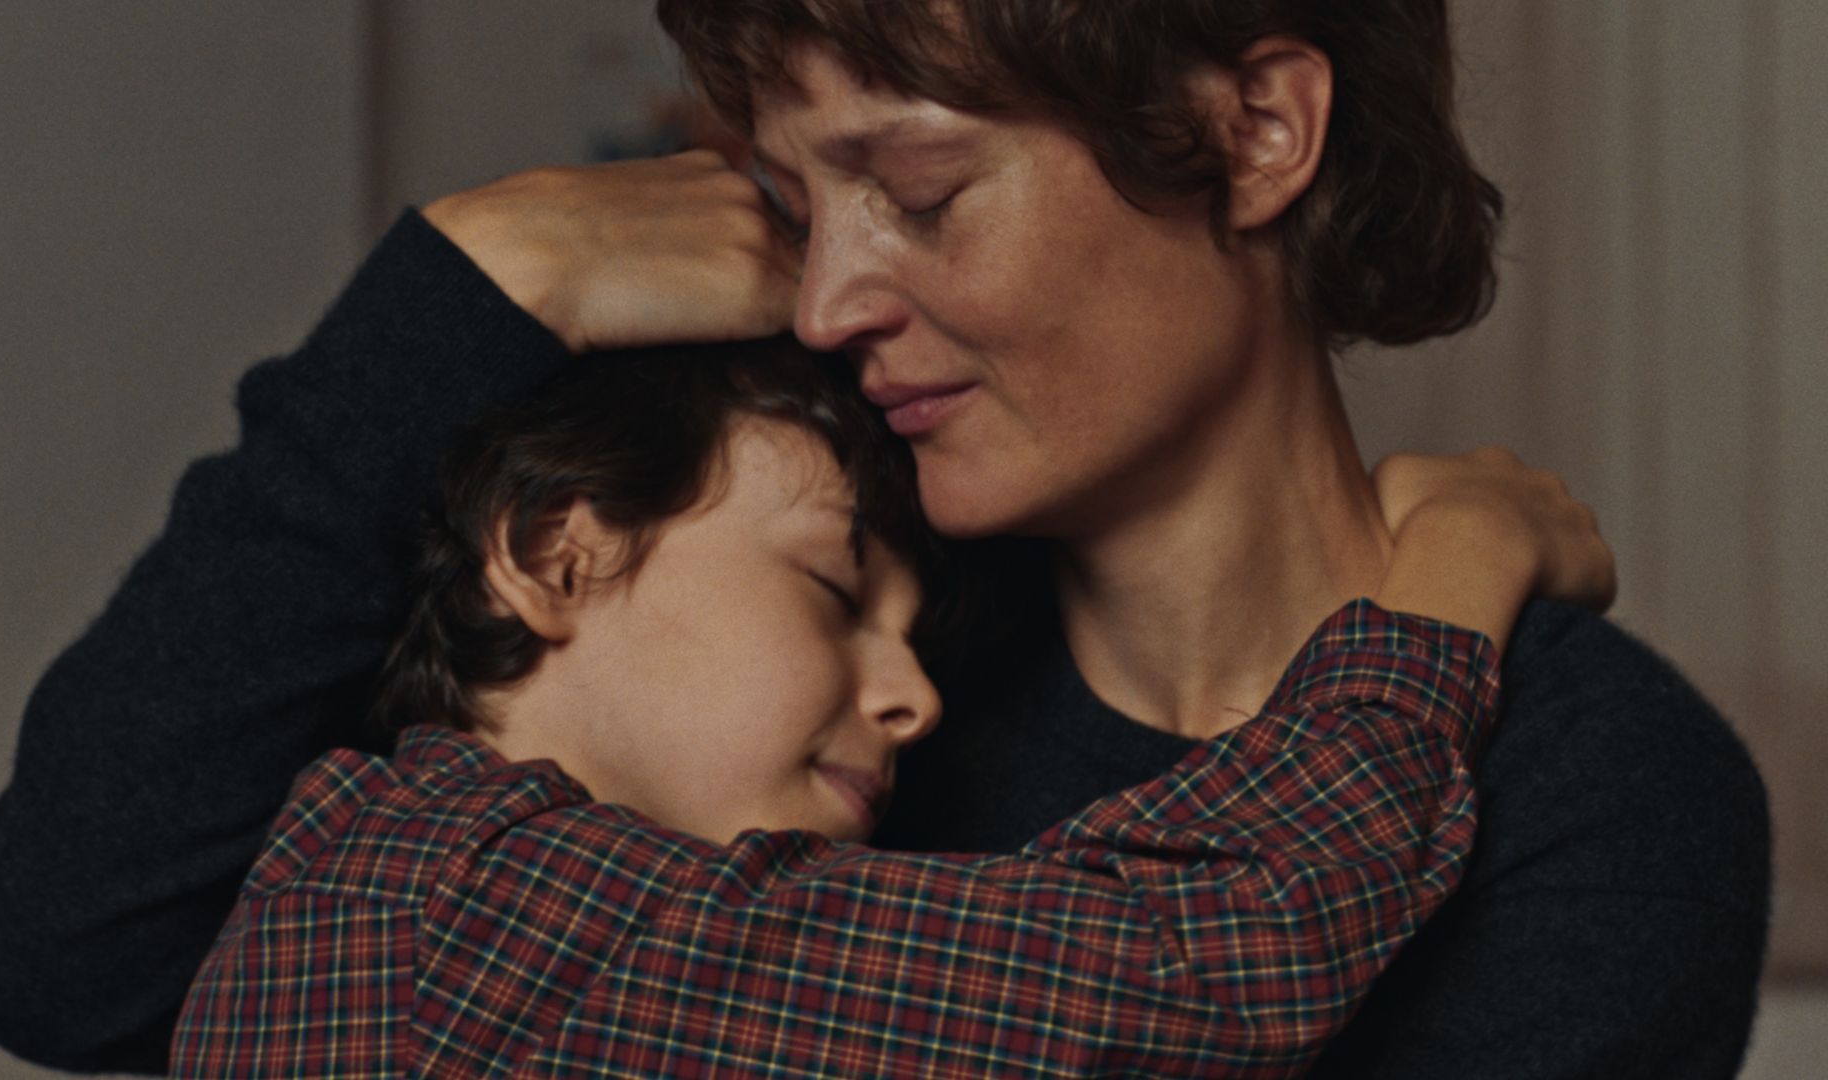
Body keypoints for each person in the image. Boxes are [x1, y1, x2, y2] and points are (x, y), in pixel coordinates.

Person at [0, 0, 1767, 1076]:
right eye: (795, 206)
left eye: (917, 194)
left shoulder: (1590, 792)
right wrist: (477, 284)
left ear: (1256, 130)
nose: (826, 302)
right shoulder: (751, 691)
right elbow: (72, 946)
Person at [169, 343, 1563, 1076]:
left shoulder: (401, 898)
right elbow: (1215, 953)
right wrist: (1462, 554)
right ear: (556, 556)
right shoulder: (464, 910)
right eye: (833, 591)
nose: (914, 698)